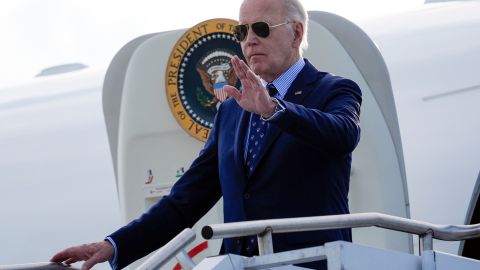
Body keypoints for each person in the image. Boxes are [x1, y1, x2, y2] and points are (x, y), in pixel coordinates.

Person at [51, 0, 362, 269]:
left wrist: (274, 110)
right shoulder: (232, 110)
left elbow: (343, 133)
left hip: (312, 263)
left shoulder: (334, 90)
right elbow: (185, 200)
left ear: (296, 33)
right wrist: (114, 245)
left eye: (262, 28)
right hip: (239, 264)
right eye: (243, 31)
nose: (250, 40)